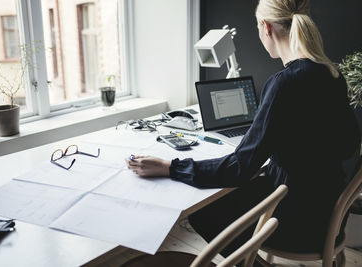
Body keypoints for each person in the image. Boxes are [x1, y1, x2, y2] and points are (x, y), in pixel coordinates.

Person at [126, 0, 361, 256]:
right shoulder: (331, 74)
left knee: (202, 210)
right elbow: (348, 143)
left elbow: (240, 168)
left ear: (265, 27)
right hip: (324, 212)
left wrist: (170, 167)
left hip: (292, 221)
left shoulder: (284, 83)